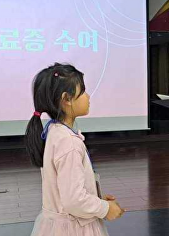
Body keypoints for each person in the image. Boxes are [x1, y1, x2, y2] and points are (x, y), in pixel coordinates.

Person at [25, 63, 125, 236]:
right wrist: (105, 208)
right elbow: (73, 201)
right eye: (83, 92)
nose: (88, 97)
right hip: (74, 228)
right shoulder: (69, 143)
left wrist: (96, 199)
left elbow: (68, 189)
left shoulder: (55, 132)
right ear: (67, 99)